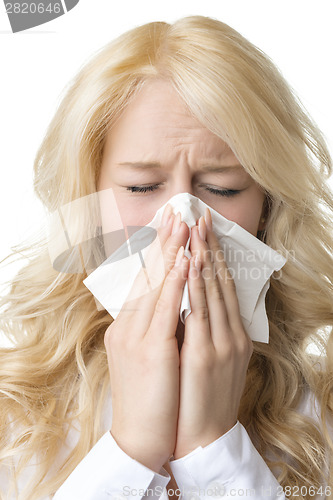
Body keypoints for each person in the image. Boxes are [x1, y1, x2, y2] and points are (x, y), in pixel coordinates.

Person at [0, 15, 332, 500]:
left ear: (268, 206)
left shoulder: (321, 416)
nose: (183, 221)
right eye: (141, 186)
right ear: (88, 206)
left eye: (223, 187)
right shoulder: (14, 416)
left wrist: (215, 452)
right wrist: (130, 452)